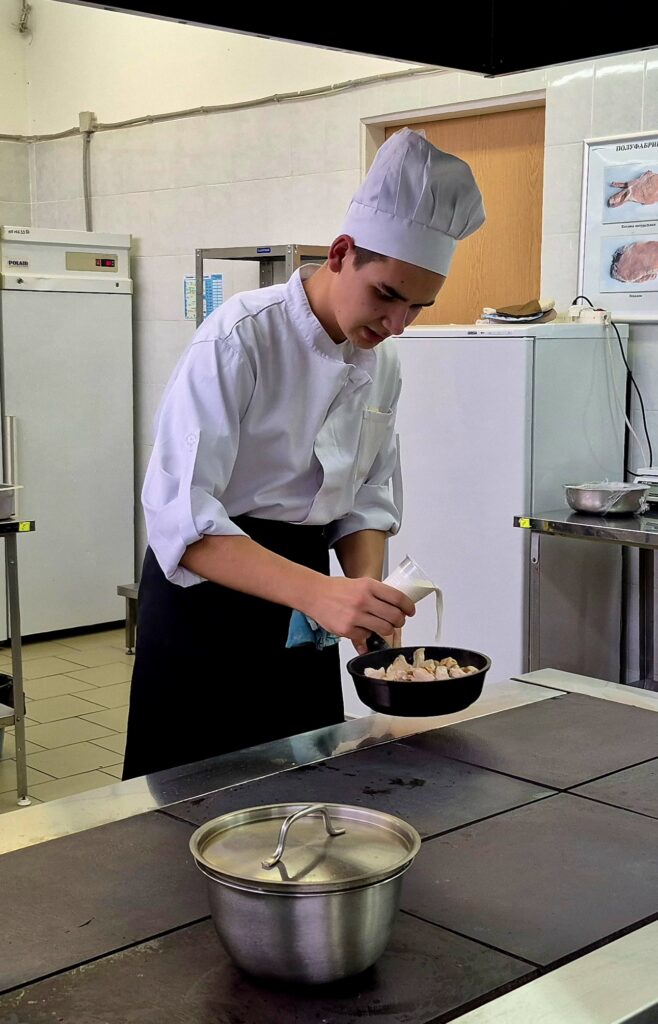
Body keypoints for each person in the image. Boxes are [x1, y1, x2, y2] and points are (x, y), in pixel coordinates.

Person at [122, 128, 485, 780]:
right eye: (387, 295)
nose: (397, 325)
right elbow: (184, 523)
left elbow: (366, 498)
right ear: (340, 253)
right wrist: (322, 594)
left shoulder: (382, 363)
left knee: (305, 784)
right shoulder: (238, 339)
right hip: (208, 602)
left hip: (307, 599)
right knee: (190, 803)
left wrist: (362, 598)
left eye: (417, 308)